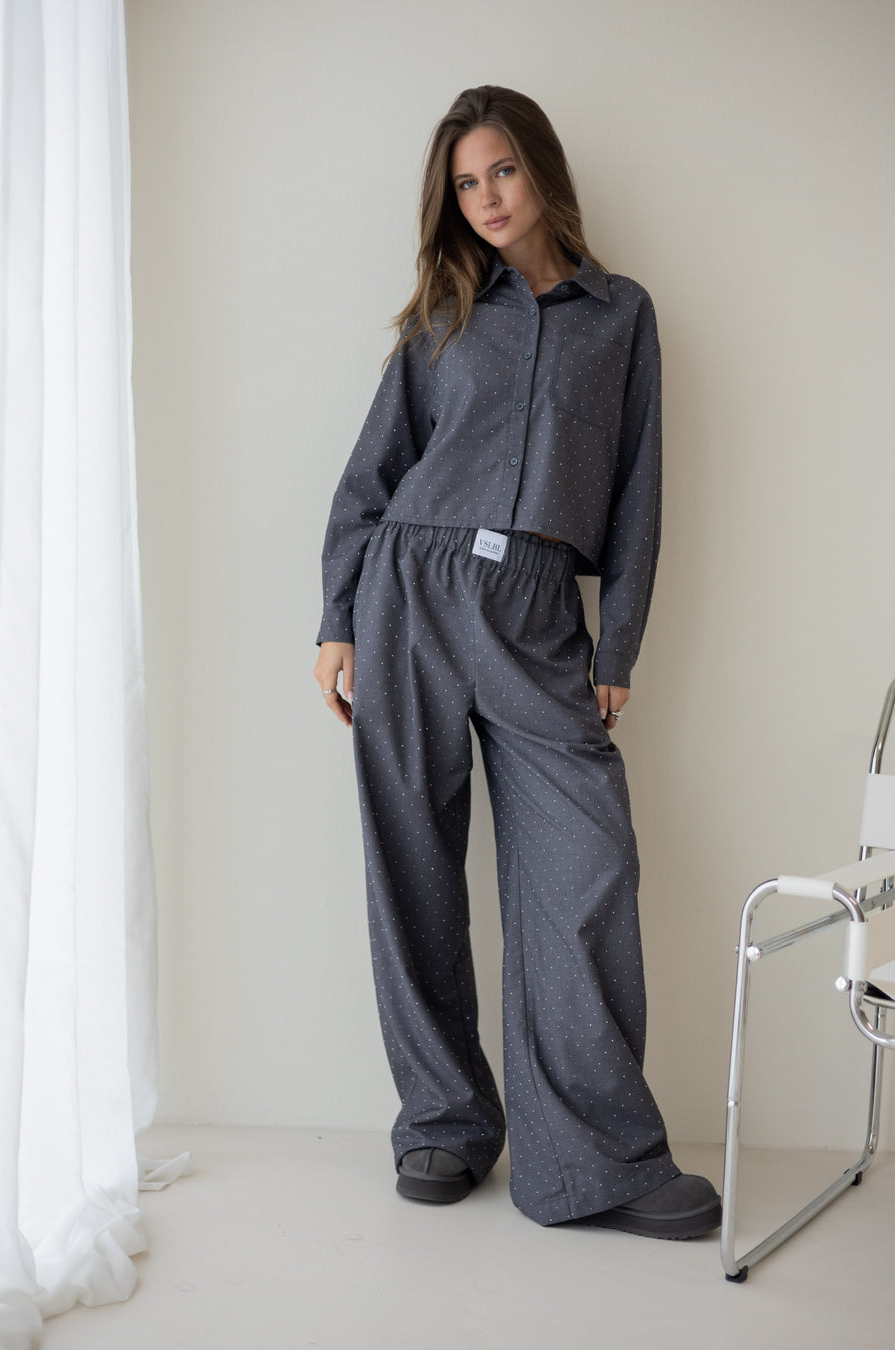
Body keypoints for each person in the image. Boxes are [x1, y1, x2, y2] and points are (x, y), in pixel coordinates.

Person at [313, 85, 720, 1239]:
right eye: (465, 182)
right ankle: (444, 1122)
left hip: (540, 614)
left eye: (501, 171)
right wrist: (339, 618)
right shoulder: (442, 315)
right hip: (411, 589)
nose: (486, 198)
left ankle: (592, 1161)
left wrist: (620, 640)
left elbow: (638, 490)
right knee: (413, 866)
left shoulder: (621, 315)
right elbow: (374, 468)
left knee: (588, 865)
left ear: (540, 169)